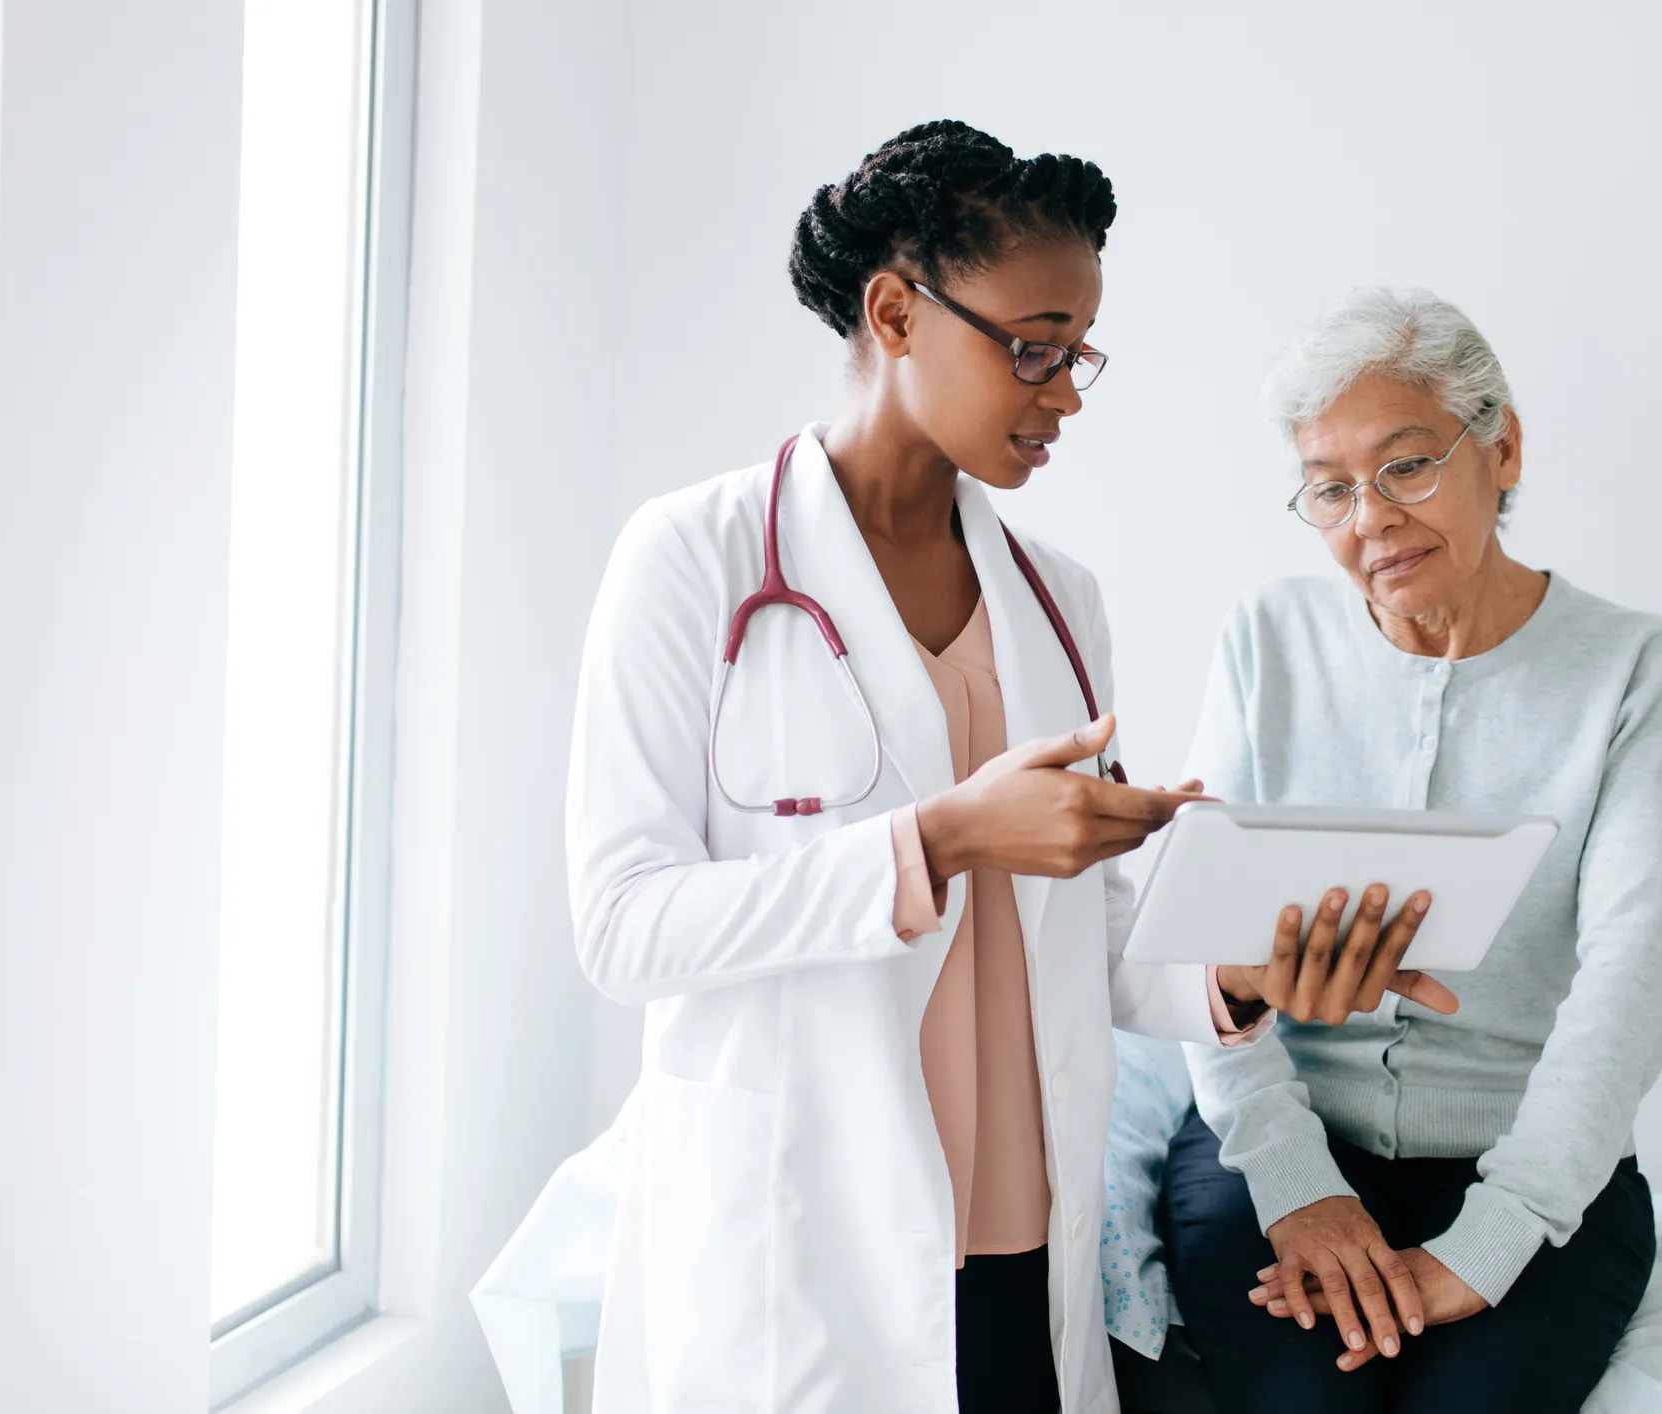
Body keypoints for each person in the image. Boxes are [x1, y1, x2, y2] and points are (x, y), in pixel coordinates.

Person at [516, 125, 1455, 1414]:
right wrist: (941, 839)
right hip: (804, 1238)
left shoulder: (1059, 601)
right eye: (1033, 347)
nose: (1064, 392)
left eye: (1080, 357)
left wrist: (1244, 969)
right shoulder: (692, 557)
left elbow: (1088, 932)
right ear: (895, 310)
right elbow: (624, 929)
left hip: (1021, 1228)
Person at [1156, 289, 1662, 1414]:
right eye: (1330, 487)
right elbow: (1199, 943)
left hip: (1539, 1168)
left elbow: (1634, 982)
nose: (1371, 519)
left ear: (1500, 447)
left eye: (1406, 466)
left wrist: (1491, 1238)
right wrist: (1300, 1188)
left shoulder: (1632, 666)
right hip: (1276, 1147)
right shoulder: (1267, 637)